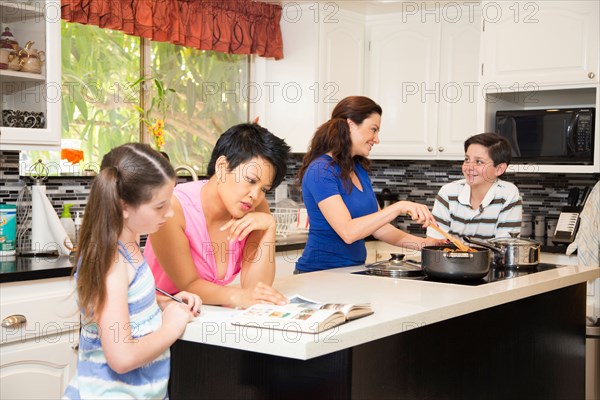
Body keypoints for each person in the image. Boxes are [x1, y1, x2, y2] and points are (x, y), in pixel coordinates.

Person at [64, 143, 201, 399]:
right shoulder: (111, 262)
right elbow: (122, 357)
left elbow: (126, 305)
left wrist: (163, 302)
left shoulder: (128, 245)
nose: (170, 214)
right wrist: (171, 327)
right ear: (123, 205)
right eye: (160, 206)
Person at [144, 123, 291, 308]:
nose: (256, 195)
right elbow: (189, 285)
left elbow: (256, 289)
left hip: (206, 318)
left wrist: (270, 227)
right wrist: (237, 297)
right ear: (222, 167)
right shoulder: (173, 209)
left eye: (264, 189)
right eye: (251, 180)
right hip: (160, 322)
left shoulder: (255, 206)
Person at [294, 96, 443, 273]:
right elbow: (348, 232)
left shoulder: (358, 168)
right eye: (373, 130)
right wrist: (399, 207)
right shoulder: (320, 170)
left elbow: (380, 229)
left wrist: (426, 245)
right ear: (350, 124)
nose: (376, 139)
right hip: (318, 275)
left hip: (352, 273)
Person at [426, 133, 523, 240]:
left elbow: (504, 248)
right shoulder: (448, 193)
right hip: (449, 257)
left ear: (499, 169)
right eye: (467, 159)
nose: (469, 167)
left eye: (479, 162)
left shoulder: (508, 195)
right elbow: (434, 243)